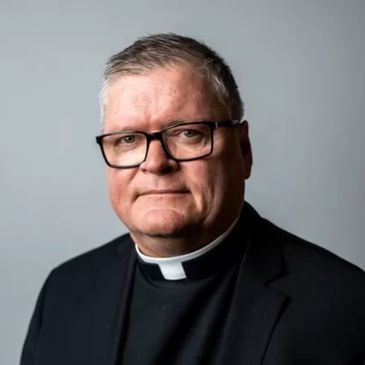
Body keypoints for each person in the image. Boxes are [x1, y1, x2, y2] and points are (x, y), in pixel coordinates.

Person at [21, 33, 365, 365]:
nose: (155, 163)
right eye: (128, 140)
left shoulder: (345, 305)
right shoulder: (64, 293)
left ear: (243, 150)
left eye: (189, 133)